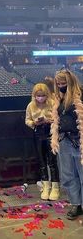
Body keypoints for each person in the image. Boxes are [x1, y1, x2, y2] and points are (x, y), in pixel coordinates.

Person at [51, 69, 83, 220]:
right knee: (68, 175)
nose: (60, 85)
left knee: (82, 174)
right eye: (58, 83)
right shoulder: (59, 98)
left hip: (79, 140)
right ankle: (75, 204)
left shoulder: (80, 95)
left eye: (63, 83)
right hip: (64, 140)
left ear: (70, 82)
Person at [25, 83, 60, 200]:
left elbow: (57, 118)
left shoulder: (52, 103)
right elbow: (27, 120)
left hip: (51, 133)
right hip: (38, 134)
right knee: (41, 161)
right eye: (38, 95)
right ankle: (46, 186)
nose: (40, 98)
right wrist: (34, 123)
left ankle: (55, 187)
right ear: (34, 95)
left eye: (43, 95)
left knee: (52, 161)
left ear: (47, 95)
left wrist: (48, 120)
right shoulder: (31, 106)